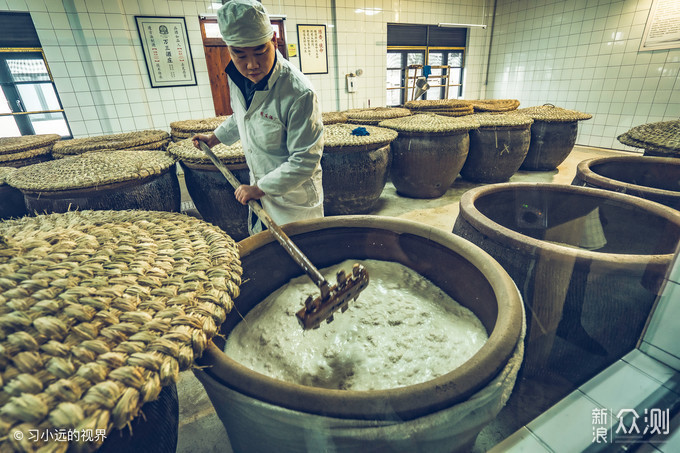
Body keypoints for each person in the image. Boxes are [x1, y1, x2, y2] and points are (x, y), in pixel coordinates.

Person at [193, 0, 324, 234]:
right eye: (240, 54)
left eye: (260, 51)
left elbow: (305, 160)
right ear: (228, 49)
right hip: (260, 188)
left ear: (273, 40)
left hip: (294, 199)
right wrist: (214, 138)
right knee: (269, 251)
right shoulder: (238, 77)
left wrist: (260, 188)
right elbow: (243, 116)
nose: (251, 65)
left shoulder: (298, 92)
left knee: (302, 251)